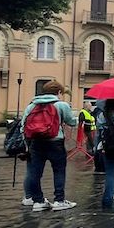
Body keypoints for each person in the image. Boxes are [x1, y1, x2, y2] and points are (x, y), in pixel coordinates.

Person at [22, 81, 78, 212]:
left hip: (36, 143)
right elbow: (72, 122)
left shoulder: (32, 106)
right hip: (55, 142)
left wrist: (27, 145)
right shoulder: (61, 105)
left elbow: (23, 126)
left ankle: (38, 201)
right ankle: (59, 200)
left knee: (35, 173)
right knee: (59, 171)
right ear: (58, 92)